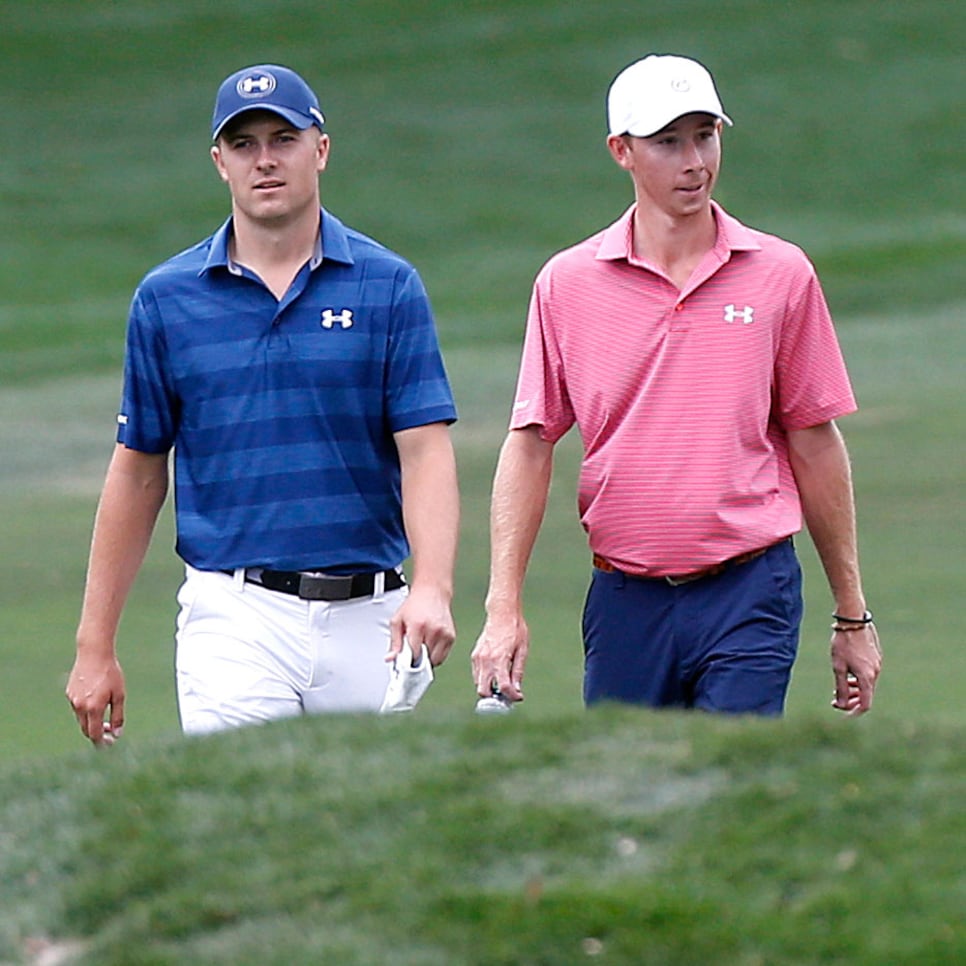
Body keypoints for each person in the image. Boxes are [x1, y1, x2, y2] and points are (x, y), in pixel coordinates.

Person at [472, 54, 881, 717]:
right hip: (624, 598)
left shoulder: (780, 275)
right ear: (622, 151)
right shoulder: (567, 285)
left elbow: (815, 442)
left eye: (705, 135)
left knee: (729, 787)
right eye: (668, 142)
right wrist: (502, 610)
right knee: (630, 800)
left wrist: (851, 616)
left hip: (750, 590)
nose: (695, 160)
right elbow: (529, 444)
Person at [67, 64, 459, 744]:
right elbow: (137, 470)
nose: (265, 160)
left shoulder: (388, 285)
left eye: (284, 138)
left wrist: (434, 586)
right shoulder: (167, 300)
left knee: (356, 830)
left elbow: (424, 450)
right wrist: (93, 645)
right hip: (235, 613)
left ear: (322, 150)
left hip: (372, 614)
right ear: (220, 162)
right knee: (246, 821)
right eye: (244, 145)